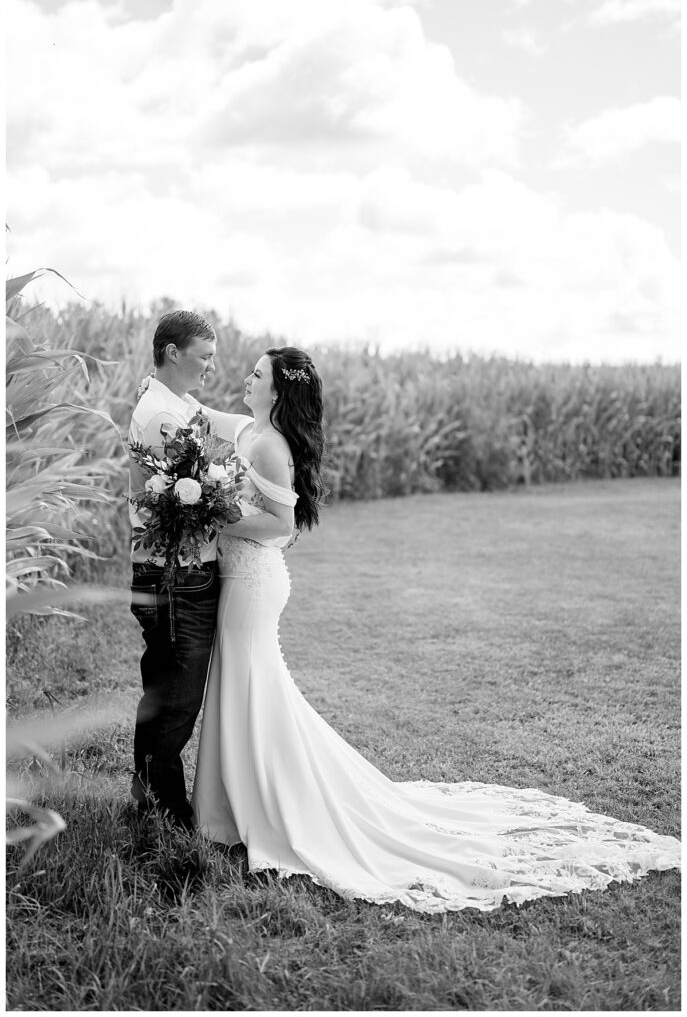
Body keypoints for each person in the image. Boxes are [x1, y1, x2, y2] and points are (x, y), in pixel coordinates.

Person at [191, 348, 680, 913]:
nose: (246, 378)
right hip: (240, 577)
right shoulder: (252, 429)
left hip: (253, 583)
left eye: (257, 374)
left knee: (254, 687)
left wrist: (214, 510)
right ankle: (236, 805)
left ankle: (268, 808)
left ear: (276, 392)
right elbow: (215, 419)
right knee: (247, 686)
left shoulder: (273, 448)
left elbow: (279, 524)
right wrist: (181, 408)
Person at [128, 309, 238, 830]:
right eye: (204, 357)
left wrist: (278, 420)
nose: (211, 368)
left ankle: (150, 805)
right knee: (175, 700)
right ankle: (162, 817)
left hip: (179, 571)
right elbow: (201, 496)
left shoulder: (178, 403)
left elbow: (221, 423)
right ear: (173, 353)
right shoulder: (160, 417)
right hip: (174, 576)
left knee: (167, 692)